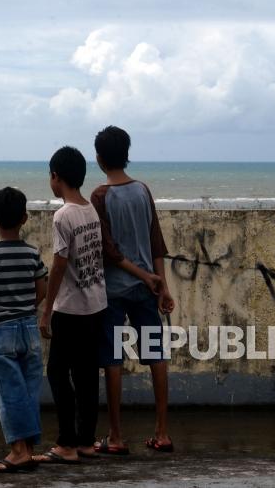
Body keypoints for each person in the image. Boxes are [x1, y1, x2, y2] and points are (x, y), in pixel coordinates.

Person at [91, 125, 176, 454]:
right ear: (126, 155)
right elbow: (156, 242)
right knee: (157, 356)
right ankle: (163, 432)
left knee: (112, 360)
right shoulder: (143, 190)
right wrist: (159, 284)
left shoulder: (100, 196)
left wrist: (142, 276)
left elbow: (109, 252)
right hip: (147, 289)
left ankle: (115, 436)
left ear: (99, 159)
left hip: (113, 292)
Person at [34, 146, 108, 465]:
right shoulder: (89, 210)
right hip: (96, 304)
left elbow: (60, 264)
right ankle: (86, 441)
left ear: (56, 177)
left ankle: (66, 443)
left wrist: (47, 310)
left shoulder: (63, 215)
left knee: (57, 372)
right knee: (87, 374)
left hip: (71, 308)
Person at [0, 186, 48, 473]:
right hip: (28, 328)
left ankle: (18, 452)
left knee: (9, 393)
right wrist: (25, 307)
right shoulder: (32, 253)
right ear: (25, 218)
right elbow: (43, 288)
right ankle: (28, 448)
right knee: (28, 391)